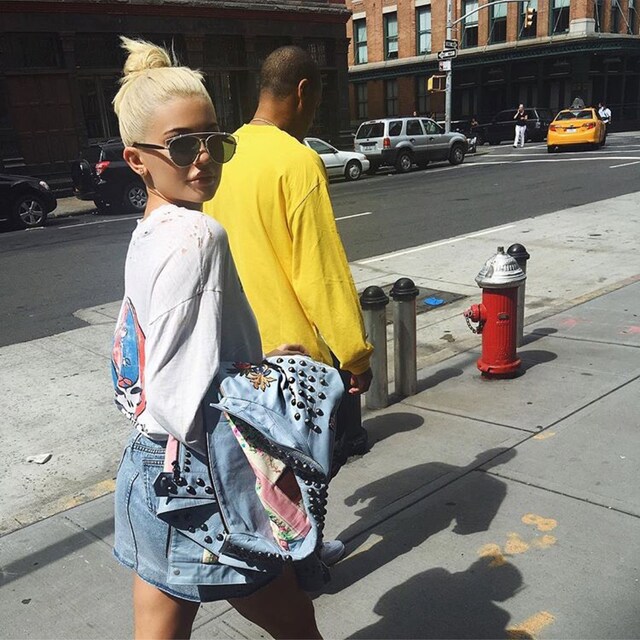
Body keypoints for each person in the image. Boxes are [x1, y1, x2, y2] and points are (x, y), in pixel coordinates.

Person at [111, 37, 327, 639]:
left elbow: (148, 355)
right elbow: (182, 395)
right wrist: (267, 375)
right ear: (137, 159)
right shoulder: (199, 235)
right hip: (201, 474)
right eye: (183, 144)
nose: (204, 157)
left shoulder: (150, 230)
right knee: (295, 621)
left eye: (214, 139)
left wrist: (253, 355)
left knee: (159, 626)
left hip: (148, 468)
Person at [203, 46, 373, 481]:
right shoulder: (297, 160)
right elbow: (320, 271)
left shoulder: (224, 155)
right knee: (302, 484)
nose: (313, 114)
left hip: (235, 354)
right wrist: (354, 355)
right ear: (303, 91)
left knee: (256, 485)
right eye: (316, 102)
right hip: (291, 363)